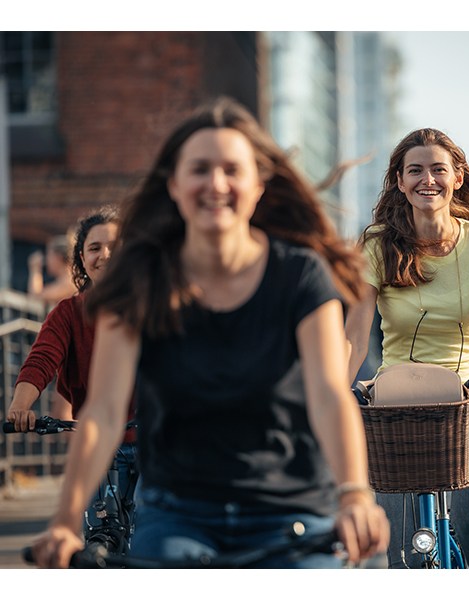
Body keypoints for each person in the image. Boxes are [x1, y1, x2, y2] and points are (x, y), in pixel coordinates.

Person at [29, 97, 389, 569]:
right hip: (178, 515)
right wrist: (62, 521)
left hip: (292, 512)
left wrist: (355, 495)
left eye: (231, 170)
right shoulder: (140, 280)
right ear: (175, 185)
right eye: (200, 169)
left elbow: (327, 394)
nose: (216, 183)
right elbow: (103, 409)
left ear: (258, 185)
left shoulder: (300, 276)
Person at [345, 127, 469, 569]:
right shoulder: (378, 243)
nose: (426, 179)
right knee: (392, 539)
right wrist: (332, 396)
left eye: (438, 170)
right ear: (399, 181)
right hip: (396, 399)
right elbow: (355, 334)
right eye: (414, 170)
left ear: (456, 179)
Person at [7, 206, 138, 539]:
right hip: (99, 447)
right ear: (81, 258)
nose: (105, 256)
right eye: (94, 248)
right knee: (98, 542)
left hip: (155, 444)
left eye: (115, 246)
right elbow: (41, 358)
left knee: (157, 538)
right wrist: (21, 406)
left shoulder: (153, 308)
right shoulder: (68, 313)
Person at [27, 234, 78, 305]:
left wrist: (35, 270)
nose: (46, 260)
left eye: (49, 255)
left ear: (58, 257)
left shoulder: (70, 283)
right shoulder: (66, 281)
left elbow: (36, 297)